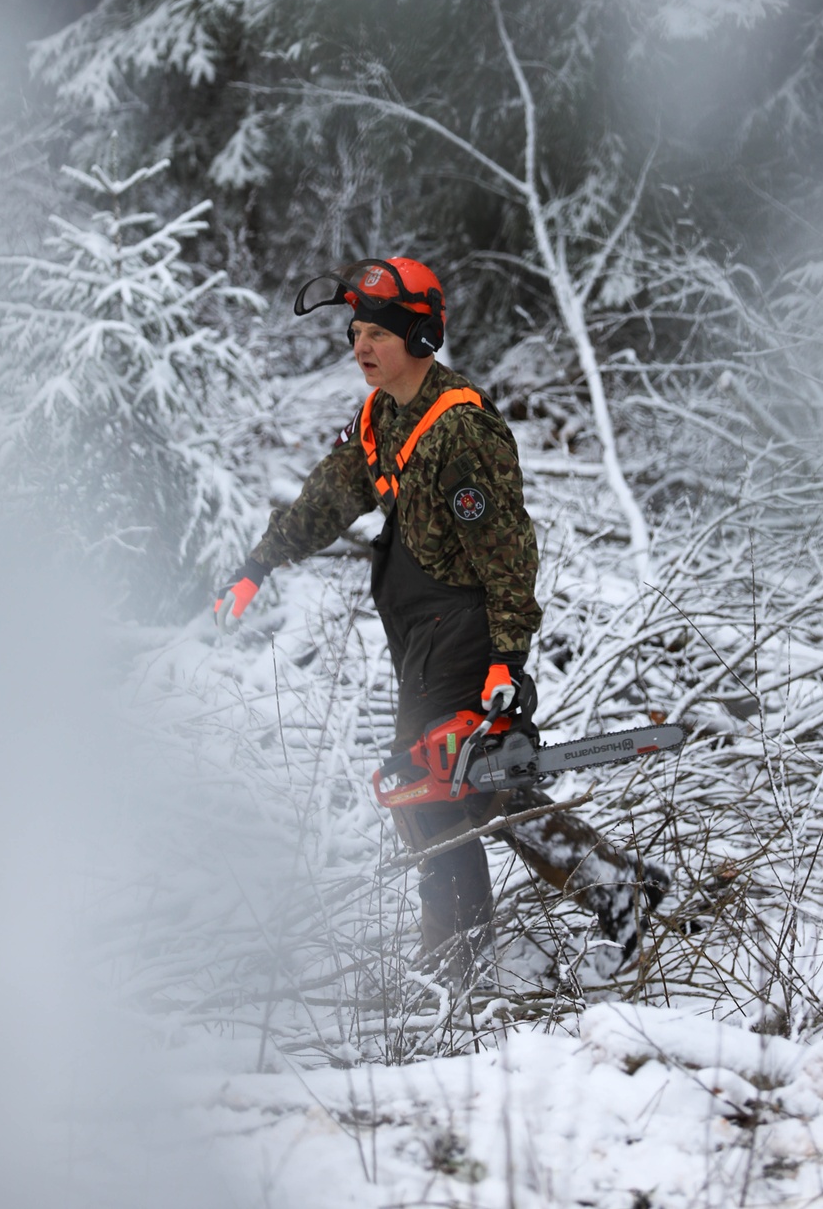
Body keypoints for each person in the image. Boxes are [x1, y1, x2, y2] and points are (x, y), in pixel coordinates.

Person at [216, 257, 669, 981]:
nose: (361, 347)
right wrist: (258, 565)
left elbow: (508, 552)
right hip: (420, 642)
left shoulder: (460, 429)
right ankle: (570, 908)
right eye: (356, 332)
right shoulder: (379, 416)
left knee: (446, 784)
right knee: (447, 787)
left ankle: (472, 955)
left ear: (419, 338)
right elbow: (328, 498)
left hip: (464, 634)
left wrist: (505, 659)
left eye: (378, 335)